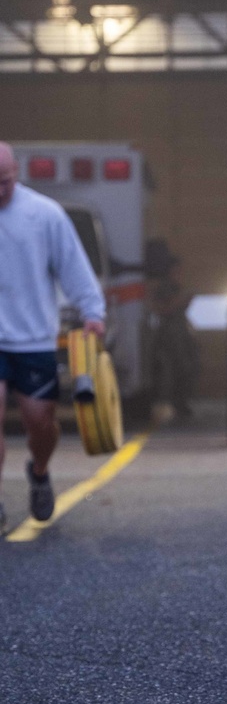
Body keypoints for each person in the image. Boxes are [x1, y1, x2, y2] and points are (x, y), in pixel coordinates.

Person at [0, 142, 106, 534]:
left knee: (39, 423)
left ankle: (39, 470)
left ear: (16, 175)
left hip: (34, 339)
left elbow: (73, 266)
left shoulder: (43, 214)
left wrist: (92, 312)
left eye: (4, 183)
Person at [146, 239, 198, 424]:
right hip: (168, 334)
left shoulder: (178, 287)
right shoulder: (164, 288)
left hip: (181, 332)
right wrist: (180, 300)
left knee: (186, 368)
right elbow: (160, 308)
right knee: (170, 371)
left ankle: (181, 403)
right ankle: (168, 404)